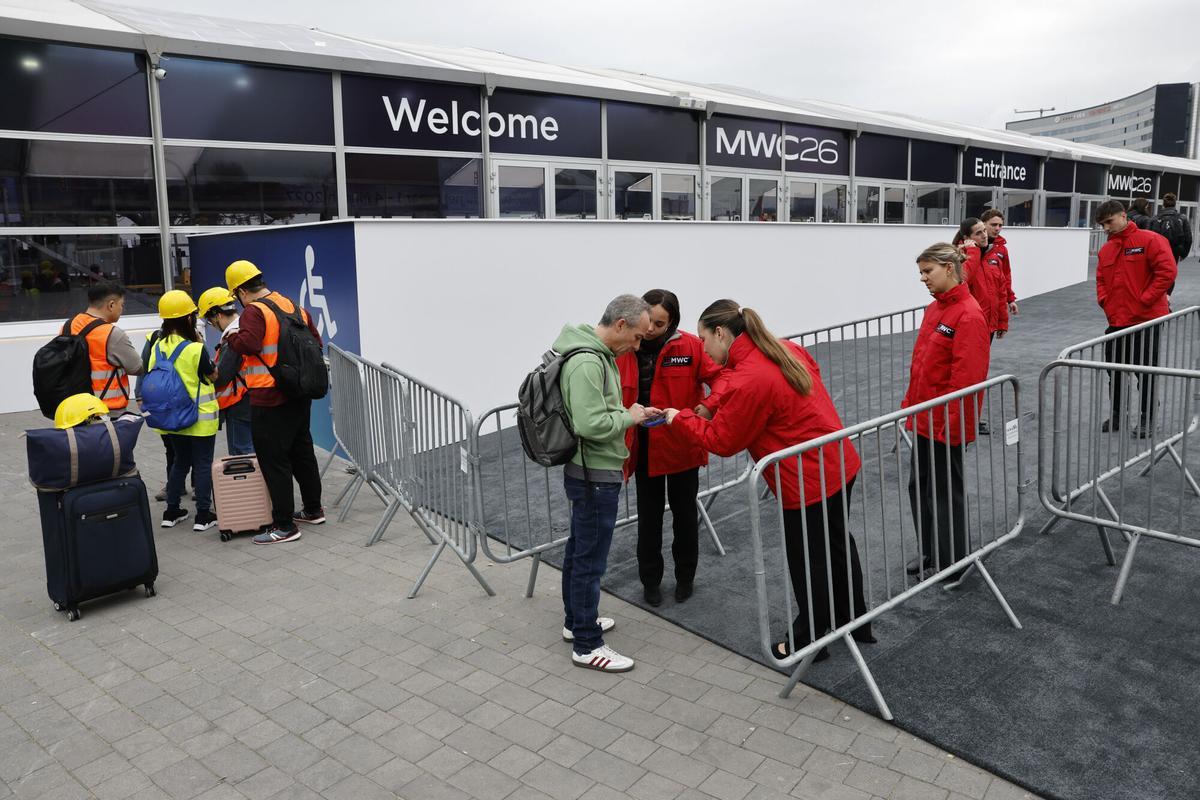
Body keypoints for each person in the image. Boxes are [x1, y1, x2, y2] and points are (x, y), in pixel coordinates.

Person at [662, 300, 871, 662]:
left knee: (808, 559)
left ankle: (807, 641)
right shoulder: (781, 348)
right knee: (836, 542)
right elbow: (747, 385)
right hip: (836, 460)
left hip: (805, 478)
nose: (703, 348)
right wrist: (713, 405)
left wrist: (676, 418)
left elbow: (722, 441)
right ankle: (855, 619)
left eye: (704, 338)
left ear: (721, 334)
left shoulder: (750, 376)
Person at [555, 294, 658, 673]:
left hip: (590, 472)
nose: (638, 346)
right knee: (590, 559)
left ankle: (576, 621)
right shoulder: (587, 361)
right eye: (637, 337)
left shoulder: (595, 355)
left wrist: (631, 414)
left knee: (580, 550)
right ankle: (587, 643)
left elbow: (597, 412)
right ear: (620, 325)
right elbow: (589, 424)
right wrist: (629, 418)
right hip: (593, 473)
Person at [615, 289, 726, 607]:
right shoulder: (625, 347)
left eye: (660, 324)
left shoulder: (691, 345)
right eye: (649, 321)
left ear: (673, 322)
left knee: (685, 516)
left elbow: (722, 379)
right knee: (648, 519)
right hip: (643, 446)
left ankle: (685, 578)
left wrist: (706, 407)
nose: (651, 330)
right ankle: (650, 581)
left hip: (682, 444)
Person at [902, 243, 991, 580]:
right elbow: (921, 365)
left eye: (928, 272)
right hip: (924, 417)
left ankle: (954, 561)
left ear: (949, 269)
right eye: (921, 273)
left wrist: (953, 427)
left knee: (944, 493)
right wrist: (911, 406)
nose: (923, 279)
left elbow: (967, 379)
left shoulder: (967, 315)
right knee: (919, 486)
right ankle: (929, 550)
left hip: (944, 423)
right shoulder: (934, 310)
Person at [225, 260, 324, 544]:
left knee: (274, 460)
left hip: (269, 396)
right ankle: (313, 509)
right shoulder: (291, 305)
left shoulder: (254, 311)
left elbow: (250, 344)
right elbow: (315, 340)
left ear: (242, 291)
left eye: (236, 295)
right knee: (302, 451)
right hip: (298, 390)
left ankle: (284, 525)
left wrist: (233, 339)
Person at [1094, 200, 1177, 435]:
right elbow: (1101, 279)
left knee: (1145, 372)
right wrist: (1105, 301)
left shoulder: (1150, 240)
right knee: (1115, 372)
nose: (1106, 228)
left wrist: (1145, 299)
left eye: (1109, 222)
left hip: (1146, 320)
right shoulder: (1107, 249)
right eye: (1102, 224)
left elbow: (1167, 272)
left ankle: (1147, 418)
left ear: (1123, 215)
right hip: (1117, 321)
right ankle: (1118, 415)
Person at [148, 290, 220, 532]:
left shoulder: (157, 345)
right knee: (202, 464)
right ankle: (203, 515)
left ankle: (171, 511)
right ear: (188, 318)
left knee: (180, 462)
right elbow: (213, 375)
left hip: (172, 417)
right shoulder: (195, 349)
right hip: (199, 418)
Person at [64, 282, 143, 413]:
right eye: (121, 305)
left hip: (75, 409)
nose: (122, 309)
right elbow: (137, 368)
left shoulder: (67, 326)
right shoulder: (112, 334)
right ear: (111, 305)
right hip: (107, 410)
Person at [199, 287, 253, 456]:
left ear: (218, 315)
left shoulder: (233, 337)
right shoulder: (245, 327)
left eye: (210, 321)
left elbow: (221, 376)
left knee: (242, 454)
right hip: (249, 400)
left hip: (240, 405)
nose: (213, 326)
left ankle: (249, 484)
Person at [981, 208, 1018, 321]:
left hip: (993, 306)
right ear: (983, 224)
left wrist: (1010, 300)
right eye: (993, 224)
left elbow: (1006, 276)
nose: (997, 228)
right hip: (975, 304)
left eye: (1000, 225)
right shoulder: (971, 246)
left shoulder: (1002, 249)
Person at [1151, 192, 1193, 267]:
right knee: (1171, 271)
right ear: (1175, 204)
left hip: (1158, 250)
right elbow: (1188, 238)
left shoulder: (1155, 218)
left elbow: (1149, 237)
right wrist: (1184, 254)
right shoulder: (1182, 218)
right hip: (1175, 251)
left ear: (1163, 204)